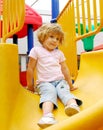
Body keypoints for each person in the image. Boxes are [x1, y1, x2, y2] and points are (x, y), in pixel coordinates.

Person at [26, 23, 82, 128]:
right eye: (51, 37)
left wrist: (70, 85)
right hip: (44, 82)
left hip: (60, 81)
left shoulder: (59, 53)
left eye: (57, 39)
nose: (55, 40)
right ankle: (47, 116)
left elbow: (65, 69)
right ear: (42, 36)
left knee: (64, 92)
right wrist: (30, 86)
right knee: (49, 94)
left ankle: (72, 106)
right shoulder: (36, 50)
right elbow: (30, 68)